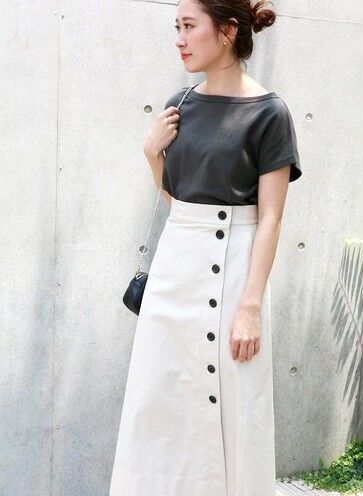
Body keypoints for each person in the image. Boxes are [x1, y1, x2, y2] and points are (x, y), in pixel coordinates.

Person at [110, 0, 302, 494]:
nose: (179, 38)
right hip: (175, 271)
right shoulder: (181, 104)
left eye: (189, 26)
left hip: (236, 270)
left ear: (227, 30)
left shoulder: (269, 113)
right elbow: (178, 199)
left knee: (235, 402)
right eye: (176, 26)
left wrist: (250, 307)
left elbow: (271, 216)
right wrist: (151, 153)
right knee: (161, 402)